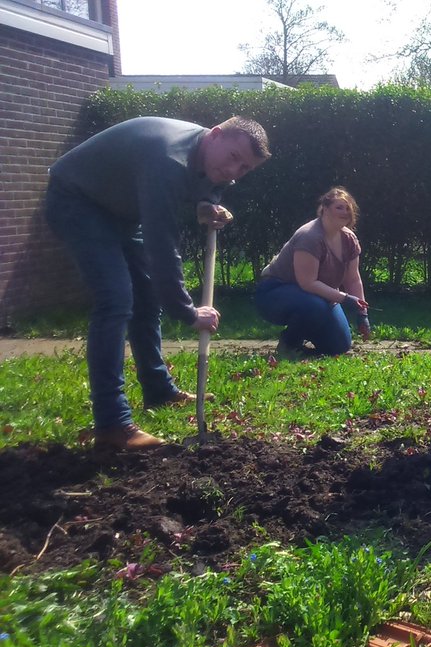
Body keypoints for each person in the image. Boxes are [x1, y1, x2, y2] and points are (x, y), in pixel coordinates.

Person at [45, 115, 271, 451]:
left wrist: (207, 205)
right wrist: (188, 312)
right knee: (116, 300)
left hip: (120, 211)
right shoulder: (166, 159)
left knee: (147, 296)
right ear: (215, 135)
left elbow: (213, 186)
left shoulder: (209, 159)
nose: (233, 170)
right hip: (77, 200)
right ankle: (112, 424)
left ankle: (158, 389)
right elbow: (161, 246)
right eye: (234, 157)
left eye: (245, 168)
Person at [255, 186, 371, 359]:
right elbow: (307, 283)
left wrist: (362, 314)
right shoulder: (310, 236)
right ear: (324, 208)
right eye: (339, 207)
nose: (345, 212)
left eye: (348, 208)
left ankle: (307, 337)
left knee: (340, 345)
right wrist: (345, 298)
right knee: (315, 306)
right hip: (274, 292)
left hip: (317, 297)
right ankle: (289, 343)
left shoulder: (349, 239)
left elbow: (353, 279)